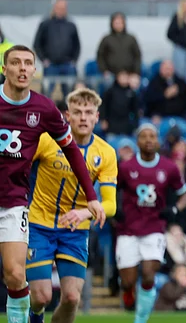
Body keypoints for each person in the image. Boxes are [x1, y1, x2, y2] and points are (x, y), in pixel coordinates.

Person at [0, 46, 105, 323]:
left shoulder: (44, 108)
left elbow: (72, 151)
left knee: (14, 274)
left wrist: (91, 197)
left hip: (12, 202)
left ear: (35, 71)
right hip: (36, 216)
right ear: (4, 69)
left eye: (28, 64)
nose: (22, 68)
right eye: (15, 63)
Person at [26, 88, 118, 323]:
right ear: (67, 115)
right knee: (41, 297)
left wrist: (85, 212)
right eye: (77, 112)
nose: (83, 117)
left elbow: (110, 204)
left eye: (89, 112)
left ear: (97, 117)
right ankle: (34, 317)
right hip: (39, 224)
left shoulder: (106, 153)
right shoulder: (46, 140)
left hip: (75, 231)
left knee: (71, 298)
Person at [115, 124, 186, 323]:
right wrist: (115, 210)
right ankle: (128, 293)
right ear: (137, 141)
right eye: (144, 137)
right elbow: (112, 189)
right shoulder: (126, 167)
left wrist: (174, 209)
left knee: (149, 275)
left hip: (154, 228)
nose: (148, 140)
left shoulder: (169, 167)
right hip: (128, 230)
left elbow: (184, 196)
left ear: (158, 141)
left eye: (152, 136)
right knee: (128, 281)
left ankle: (141, 319)